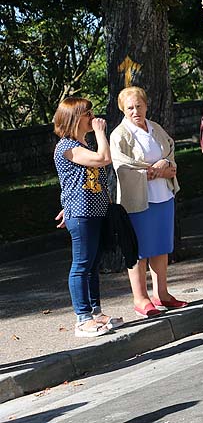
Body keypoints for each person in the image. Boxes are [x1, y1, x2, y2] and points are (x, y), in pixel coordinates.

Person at [109, 87, 185, 319]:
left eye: (139, 106)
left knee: (161, 247)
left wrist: (164, 164)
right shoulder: (119, 135)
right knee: (139, 250)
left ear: (146, 106)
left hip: (163, 195)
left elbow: (169, 151)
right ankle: (140, 298)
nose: (135, 111)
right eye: (130, 108)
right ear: (123, 109)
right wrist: (155, 170)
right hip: (138, 200)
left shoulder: (156, 128)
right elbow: (122, 164)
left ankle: (162, 293)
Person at [53, 97, 124, 337]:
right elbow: (104, 159)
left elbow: (75, 181)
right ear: (74, 118)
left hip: (94, 210)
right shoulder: (67, 147)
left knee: (93, 264)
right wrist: (101, 132)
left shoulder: (81, 145)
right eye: (87, 113)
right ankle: (82, 319)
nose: (92, 117)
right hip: (82, 213)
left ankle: (95, 312)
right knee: (81, 265)